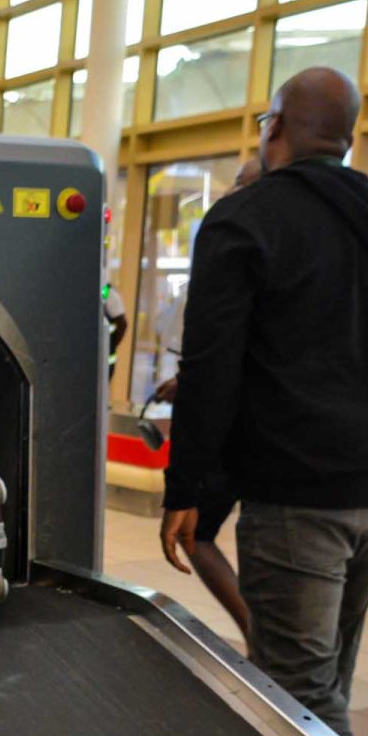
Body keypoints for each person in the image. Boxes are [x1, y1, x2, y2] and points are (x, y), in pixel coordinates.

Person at [158, 68, 368, 736]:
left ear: (277, 126)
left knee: (300, 698)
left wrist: (189, 484)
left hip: (296, 495)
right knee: (326, 680)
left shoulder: (246, 218)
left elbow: (212, 364)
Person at [150, 155, 265, 642]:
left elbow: (216, 361)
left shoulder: (240, 243)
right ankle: (263, 637)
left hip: (244, 434)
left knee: (194, 530)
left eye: (240, 183)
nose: (230, 193)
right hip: (275, 439)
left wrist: (182, 488)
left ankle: (258, 634)